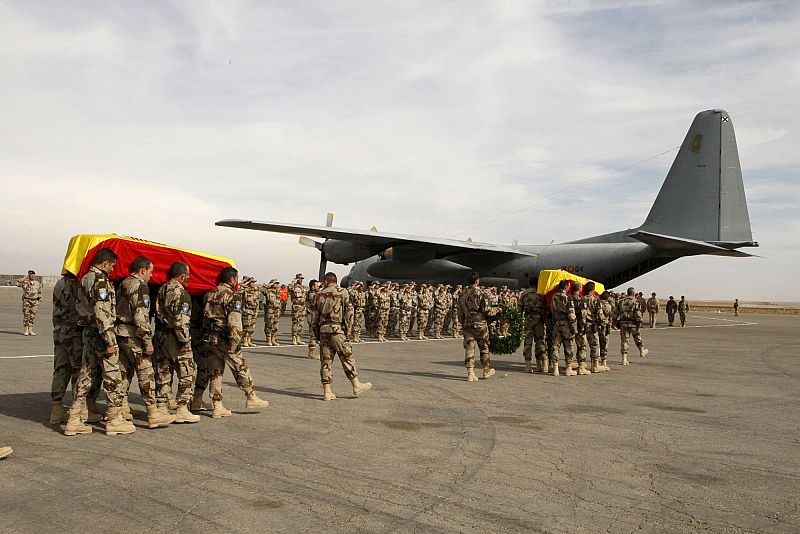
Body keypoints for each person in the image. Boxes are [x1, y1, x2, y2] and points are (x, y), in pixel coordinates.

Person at [64, 247, 135, 436]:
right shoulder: (100, 281)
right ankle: (114, 419)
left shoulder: (86, 278)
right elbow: (102, 313)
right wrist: (109, 341)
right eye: (112, 265)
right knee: (113, 375)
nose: (113, 269)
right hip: (101, 335)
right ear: (105, 263)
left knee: (86, 375)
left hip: (88, 333)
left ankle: (74, 418)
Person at [202, 267, 269, 417]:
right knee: (240, 367)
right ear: (232, 279)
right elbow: (234, 323)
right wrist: (234, 342)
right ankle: (250, 396)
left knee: (216, 372)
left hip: (210, 338)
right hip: (225, 339)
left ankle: (217, 406)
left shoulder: (209, 293)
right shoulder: (232, 296)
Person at [117, 256, 175, 429]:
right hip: (134, 335)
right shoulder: (141, 287)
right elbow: (141, 317)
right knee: (146, 374)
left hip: (121, 333)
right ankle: (153, 413)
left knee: (124, 372)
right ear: (142, 270)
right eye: (150, 271)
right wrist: (147, 341)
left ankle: (121, 407)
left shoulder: (124, 283)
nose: (151, 275)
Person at [311, 272, 372, 401]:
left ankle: (327, 392)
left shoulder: (318, 294)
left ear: (326, 281)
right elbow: (349, 313)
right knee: (347, 356)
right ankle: (356, 385)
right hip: (337, 330)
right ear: (335, 281)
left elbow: (314, 318)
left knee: (326, 361)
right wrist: (348, 331)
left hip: (323, 331)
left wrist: (317, 335)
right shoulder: (343, 292)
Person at [154, 261, 200, 424]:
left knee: (163, 371)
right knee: (187, 372)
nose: (188, 279)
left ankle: (161, 405)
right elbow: (181, 321)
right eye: (187, 276)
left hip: (160, 336)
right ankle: (181, 408)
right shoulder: (182, 293)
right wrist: (185, 340)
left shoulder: (162, 289)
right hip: (175, 338)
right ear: (182, 276)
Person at [50, 272, 83, 424]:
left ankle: (56, 409)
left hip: (59, 330)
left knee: (61, 369)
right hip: (74, 331)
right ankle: (78, 410)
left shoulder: (59, 283)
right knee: (78, 369)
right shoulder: (76, 284)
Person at [457, 272, 498, 381]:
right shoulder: (482, 293)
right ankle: (486, 370)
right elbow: (487, 310)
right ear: (477, 281)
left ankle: (470, 372)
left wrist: (463, 322)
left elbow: (459, 310)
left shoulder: (462, 293)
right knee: (484, 346)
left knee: (469, 348)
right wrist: (497, 310)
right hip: (480, 323)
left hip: (467, 323)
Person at [517, 278, 547, 374]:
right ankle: (542, 365)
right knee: (540, 341)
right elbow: (546, 308)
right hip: (539, 321)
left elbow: (519, 309)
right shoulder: (541, 294)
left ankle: (528, 365)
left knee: (528, 342)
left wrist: (519, 321)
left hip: (528, 320)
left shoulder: (524, 294)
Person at [615, 287, 649, 365]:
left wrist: (616, 323)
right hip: (633, 323)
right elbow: (638, 314)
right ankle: (641, 351)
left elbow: (615, 313)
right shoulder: (635, 302)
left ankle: (624, 359)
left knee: (624, 341)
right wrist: (639, 322)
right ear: (634, 293)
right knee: (637, 338)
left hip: (623, 323)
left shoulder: (621, 302)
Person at [551, 280, 577, 376]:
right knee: (568, 347)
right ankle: (568, 368)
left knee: (555, 347)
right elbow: (571, 315)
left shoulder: (554, 297)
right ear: (566, 287)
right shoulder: (568, 298)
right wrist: (574, 329)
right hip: (566, 325)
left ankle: (555, 369)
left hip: (557, 324)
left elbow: (552, 310)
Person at [583, 282, 608, 373]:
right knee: (595, 345)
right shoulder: (595, 300)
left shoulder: (582, 299)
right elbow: (600, 314)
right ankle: (595, 365)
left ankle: (581, 364)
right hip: (592, 326)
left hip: (583, 325)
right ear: (593, 290)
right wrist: (603, 324)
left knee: (583, 346)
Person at [16, 270, 42, 336]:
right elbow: (17, 284)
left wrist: (39, 301)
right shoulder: (25, 282)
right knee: (26, 316)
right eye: (31, 274)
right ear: (29, 275)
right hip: (27, 301)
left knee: (32, 316)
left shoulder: (37, 283)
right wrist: (25, 277)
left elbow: (39, 292)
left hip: (35, 301)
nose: (32, 276)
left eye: (33, 274)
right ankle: (26, 330)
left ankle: (30, 330)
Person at [260, 279, 282, 346]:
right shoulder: (267, 291)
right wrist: (268, 285)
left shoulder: (277, 292)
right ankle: (268, 339)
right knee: (269, 325)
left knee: (275, 326)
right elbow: (261, 289)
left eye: (277, 283)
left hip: (277, 311)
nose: (276, 285)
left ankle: (273, 339)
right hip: (270, 311)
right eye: (275, 283)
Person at [240, 276, 260, 347]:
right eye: (252, 282)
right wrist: (244, 283)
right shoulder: (244, 290)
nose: (253, 284)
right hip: (247, 311)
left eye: (254, 282)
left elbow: (257, 302)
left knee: (252, 327)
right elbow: (238, 289)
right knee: (246, 327)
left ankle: (249, 340)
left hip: (254, 311)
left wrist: (257, 312)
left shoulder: (255, 290)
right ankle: (244, 340)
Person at [289, 274, 306, 345]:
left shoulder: (302, 287)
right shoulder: (293, 286)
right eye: (300, 278)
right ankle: (294, 338)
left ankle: (298, 337)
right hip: (296, 307)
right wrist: (293, 281)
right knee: (295, 322)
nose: (301, 280)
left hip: (302, 307)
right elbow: (289, 288)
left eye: (302, 279)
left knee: (301, 323)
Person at [597, 291, 613, 371]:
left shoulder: (596, 304)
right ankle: (604, 362)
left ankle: (596, 362)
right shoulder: (608, 306)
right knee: (604, 344)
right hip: (604, 327)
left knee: (596, 344)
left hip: (596, 327)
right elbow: (610, 316)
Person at [306, 279, 321, 359]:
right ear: (312, 286)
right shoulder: (312, 295)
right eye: (316, 285)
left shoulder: (314, 293)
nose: (318, 286)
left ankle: (313, 352)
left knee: (316, 334)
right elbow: (318, 301)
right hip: (312, 317)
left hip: (315, 316)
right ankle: (311, 353)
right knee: (313, 335)